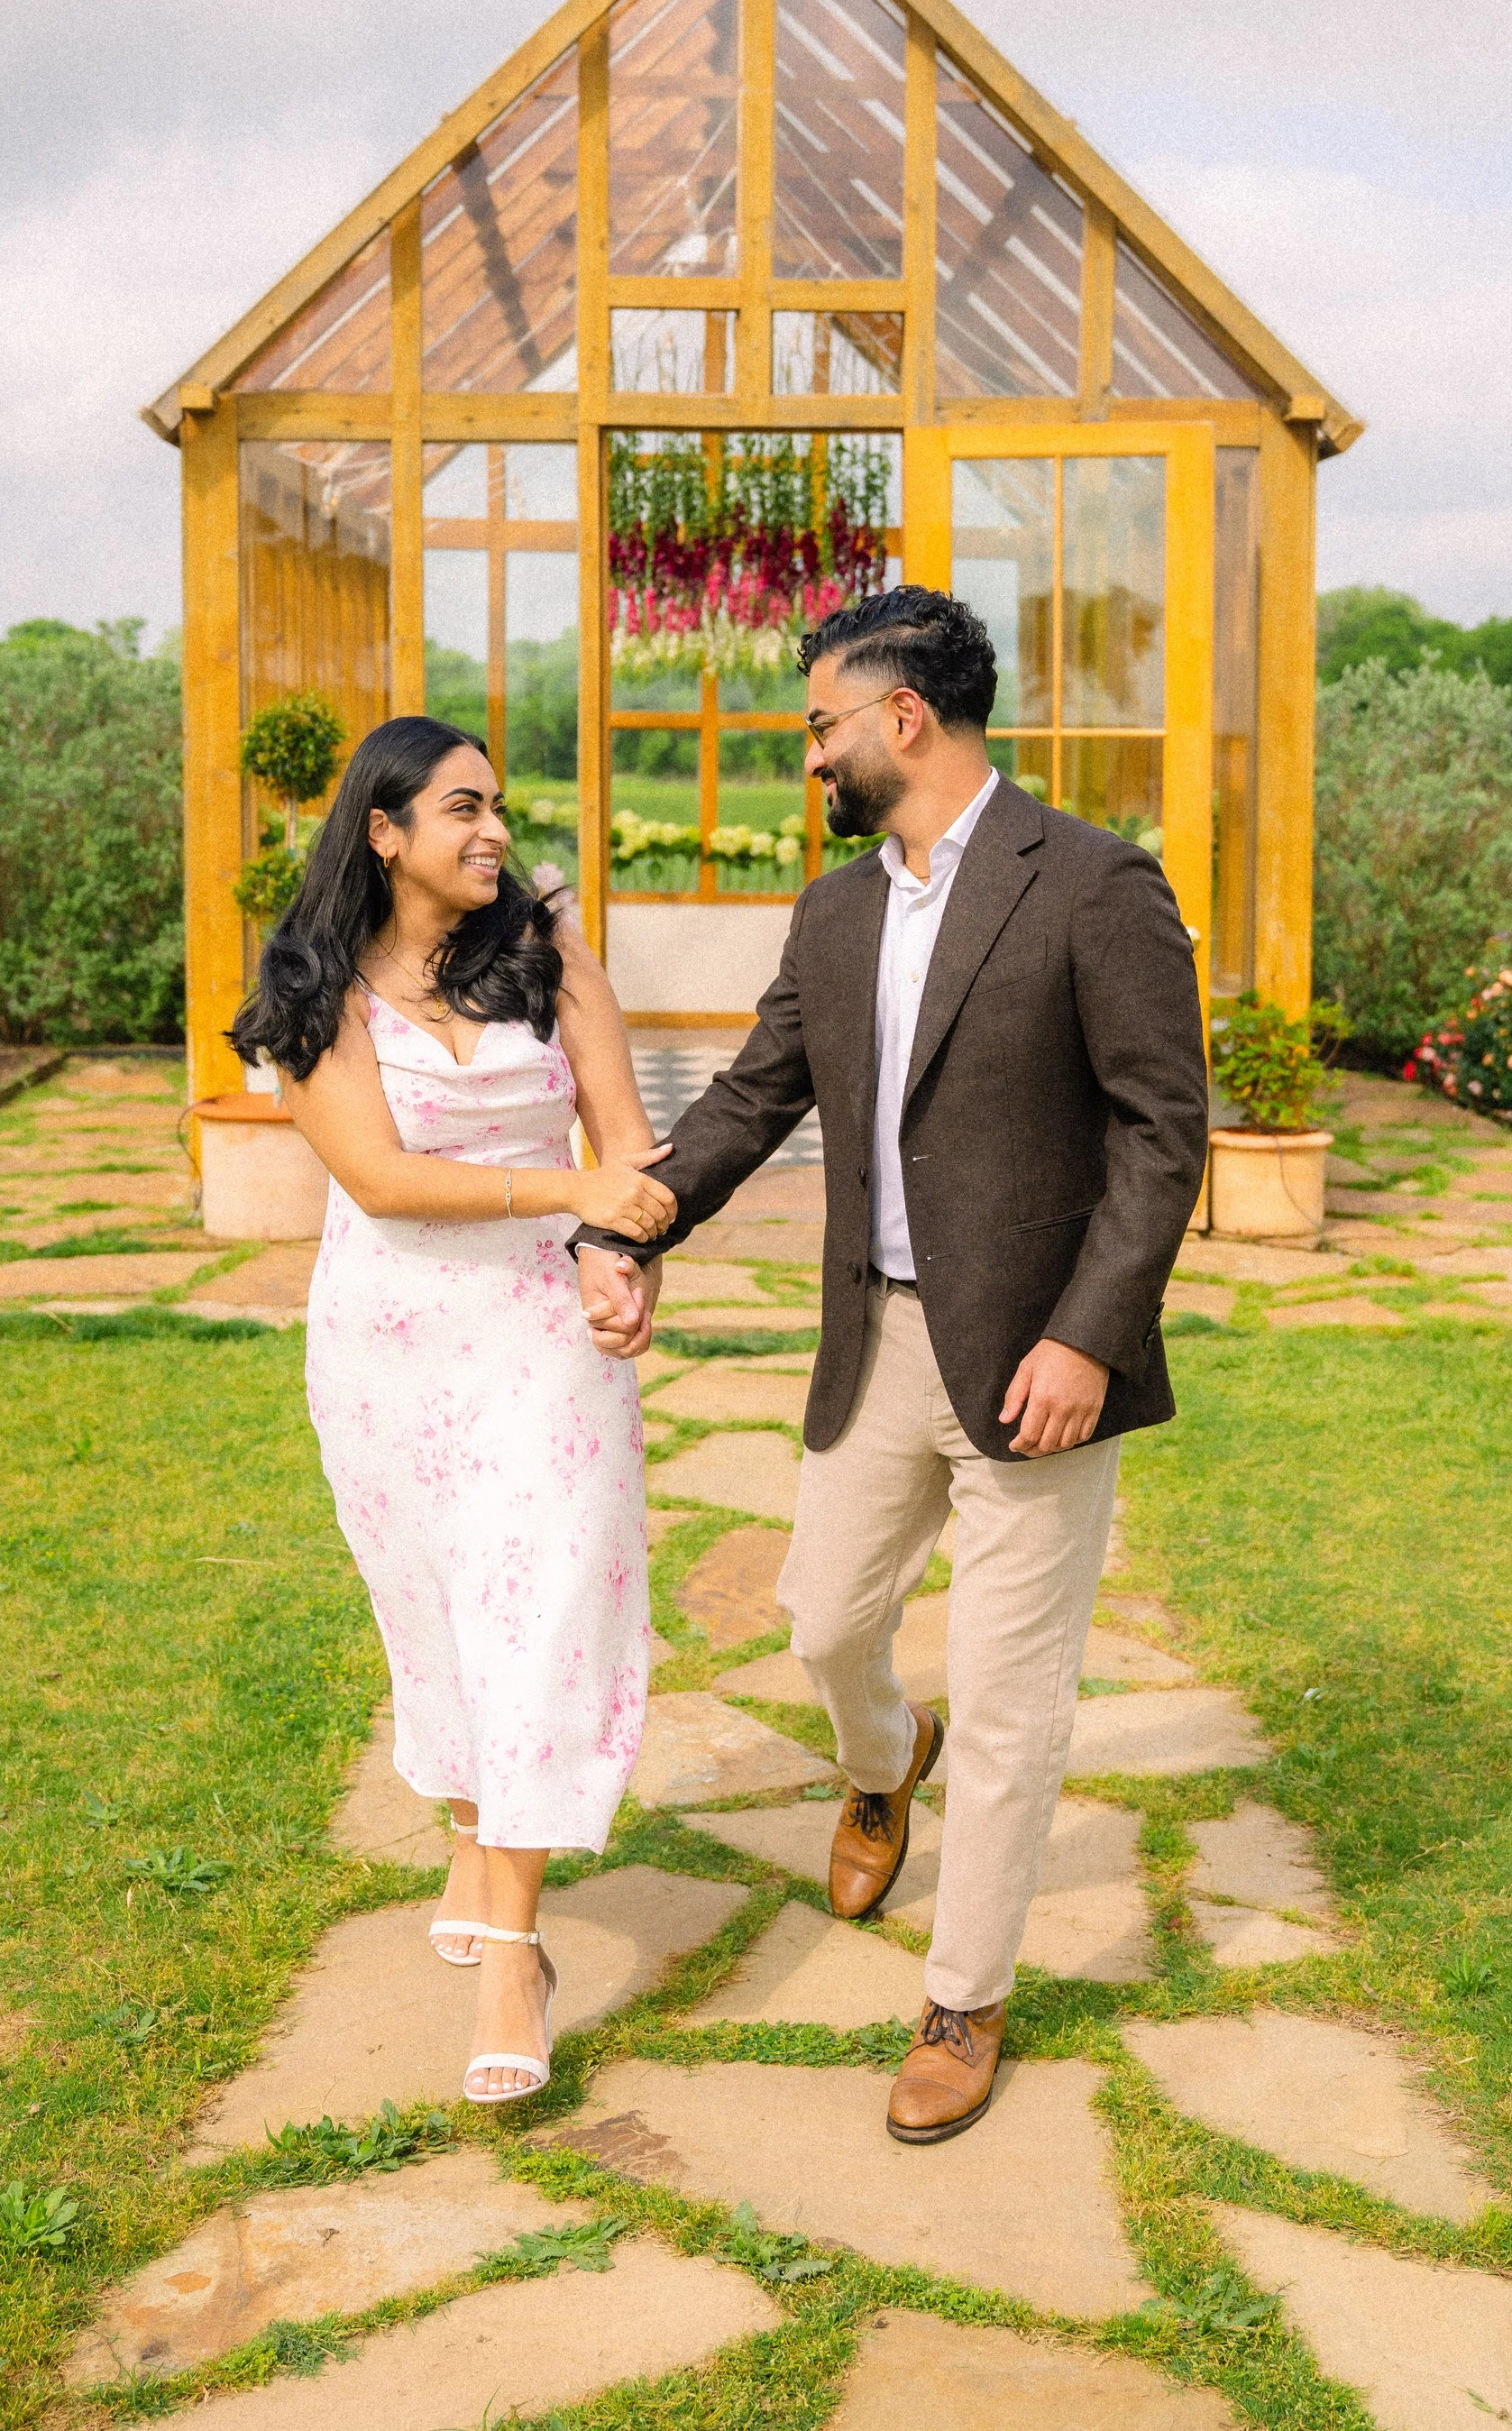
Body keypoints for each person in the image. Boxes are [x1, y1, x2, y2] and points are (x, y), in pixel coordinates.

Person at [578, 586, 1209, 2143]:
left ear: (904, 720)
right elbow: (752, 1093)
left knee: (1010, 1702)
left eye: (821, 724)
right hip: (879, 1336)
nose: (812, 755)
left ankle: (966, 1997)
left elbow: (1162, 1130)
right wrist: (640, 1214)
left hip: (1037, 1365)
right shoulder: (839, 910)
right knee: (818, 1620)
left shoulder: (1093, 884)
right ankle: (881, 1756)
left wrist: (1089, 1332)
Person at [234, 714, 677, 2107]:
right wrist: (570, 1199)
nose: (494, 831)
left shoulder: (547, 955)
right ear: (384, 830)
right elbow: (377, 1174)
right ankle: (478, 1829)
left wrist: (626, 1259)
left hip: (546, 1342)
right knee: (437, 1619)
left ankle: (513, 1952)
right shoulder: (313, 983)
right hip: (393, 1352)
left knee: (535, 1611)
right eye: (461, 808)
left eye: (498, 805)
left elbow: (633, 1151)